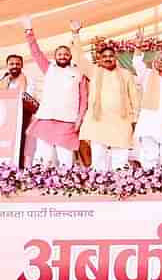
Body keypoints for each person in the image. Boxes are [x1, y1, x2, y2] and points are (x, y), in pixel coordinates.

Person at [71, 22, 139, 172]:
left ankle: (121, 188)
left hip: (121, 121)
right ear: (100, 58)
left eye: (111, 56)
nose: (108, 59)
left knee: (120, 159)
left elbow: (135, 99)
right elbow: (78, 58)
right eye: (105, 56)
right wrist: (75, 34)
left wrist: (134, 120)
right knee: (98, 158)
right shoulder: (94, 72)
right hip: (98, 120)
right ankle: (100, 187)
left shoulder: (126, 74)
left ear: (116, 57)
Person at [21, 16, 88, 168]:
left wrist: (80, 119)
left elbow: (84, 99)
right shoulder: (49, 68)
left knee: (66, 159)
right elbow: (36, 52)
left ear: (70, 56)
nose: (63, 56)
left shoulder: (79, 72)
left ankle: (65, 185)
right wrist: (29, 31)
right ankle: (40, 185)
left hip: (68, 121)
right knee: (44, 157)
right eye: (60, 54)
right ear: (55, 56)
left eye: (66, 54)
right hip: (46, 118)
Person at [132, 35, 162, 169]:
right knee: (150, 155)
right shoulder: (147, 75)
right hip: (149, 122)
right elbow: (137, 64)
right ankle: (150, 179)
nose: (161, 62)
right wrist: (138, 47)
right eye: (158, 60)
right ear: (153, 62)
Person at [1, 54, 37, 168]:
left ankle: (19, 169)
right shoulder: (3, 79)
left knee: (20, 144)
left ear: (22, 65)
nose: (14, 66)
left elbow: (28, 97)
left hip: (22, 118)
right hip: (5, 120)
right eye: (12, 64)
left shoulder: (28, 79)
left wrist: (20, 90)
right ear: (7, 65)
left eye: (17, 64)